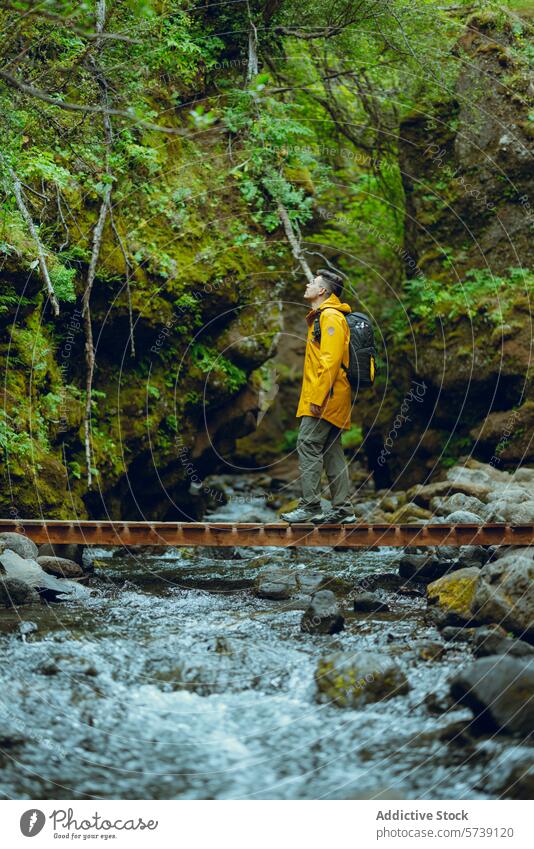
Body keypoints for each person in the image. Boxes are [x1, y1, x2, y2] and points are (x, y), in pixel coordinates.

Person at [281, 269, 356, 524]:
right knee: (332, 450)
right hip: (332, 396)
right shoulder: (324, 316)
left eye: (312, 282)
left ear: (323, 290)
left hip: (327, 397)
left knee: (307, 443)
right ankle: (343, 511)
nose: (307, 284)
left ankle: (311, 505)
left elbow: (331, 360)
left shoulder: (331, 317)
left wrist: (317, 398)